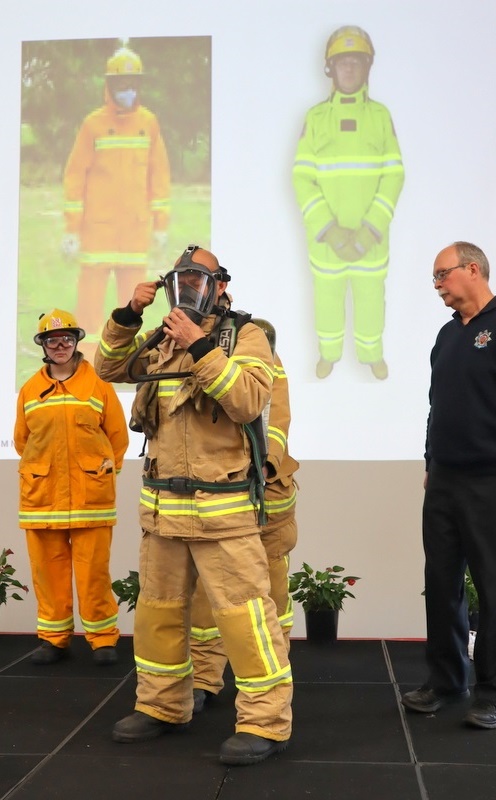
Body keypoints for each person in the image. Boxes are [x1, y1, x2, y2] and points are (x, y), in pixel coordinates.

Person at [93, 245, 293, 765]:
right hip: (163, 510)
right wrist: (128, 317)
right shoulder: (161, 339)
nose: (189, 288)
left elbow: (249, 400)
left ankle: (264, 722)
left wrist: (200, 345)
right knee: (158, 615)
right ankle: (161, 705)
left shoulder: (245, 336)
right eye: (181, 279)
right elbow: (109, 367)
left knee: (245, 619)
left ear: (221, 285)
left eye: (200, 279)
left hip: (223, 510)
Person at [401, 242, 496, 729]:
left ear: (472, 269)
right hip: (446, 483)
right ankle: (446, 680)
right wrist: (432, 461)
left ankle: (495, 692)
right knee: (441, 584)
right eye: (434, 277)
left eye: (442, 275)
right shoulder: (446, 335)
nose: (436, 285)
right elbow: (439, 406)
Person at [14, 309, 129, 665]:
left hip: (90, 498)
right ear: (44, 346)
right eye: (52, 340)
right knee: (47, 571)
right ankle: (54, 639)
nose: (60, 345)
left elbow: (117, 439)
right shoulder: (31, 390)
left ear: (77, 341)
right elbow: (22, 441)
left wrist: (101, 473)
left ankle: (102, 639)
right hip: (42, 498)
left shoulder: (99, 385)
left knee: (94, 571)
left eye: (66, 338)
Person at [292, 25, 404, 380]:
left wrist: (370, 228)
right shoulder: (315, 118)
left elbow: (395, 174)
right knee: (327, 300)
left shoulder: (380, 116)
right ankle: (329, 355)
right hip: (329, 241)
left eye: (357, 62)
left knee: (372, 300)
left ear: (366, 67)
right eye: (343, 63)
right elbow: (300, 177)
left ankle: (372, 355)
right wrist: (330, 229)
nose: (350, 69)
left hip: (370, 239)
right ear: (332, 69)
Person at [190, 349, 299, 713]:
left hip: (266, 496)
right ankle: (203, 678)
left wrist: (264, 467)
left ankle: (275, 670)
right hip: (221, 494)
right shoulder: (202, 355)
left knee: (272, 592)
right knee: (209, 592)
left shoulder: (260, 353)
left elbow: (277, 419)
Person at [62, 45, 171, 346]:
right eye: (121, 84)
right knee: (89, 305)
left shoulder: (148, 123)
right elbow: (74, 176)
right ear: (109, 85)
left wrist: (160, 225)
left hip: (135, 232)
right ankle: (84, 358)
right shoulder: (93, 124)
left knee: (133, 305)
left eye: (132, 84)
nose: (127, 90)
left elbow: (158, 176)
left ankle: (128, 362)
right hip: (98, 231)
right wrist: (71, 229)